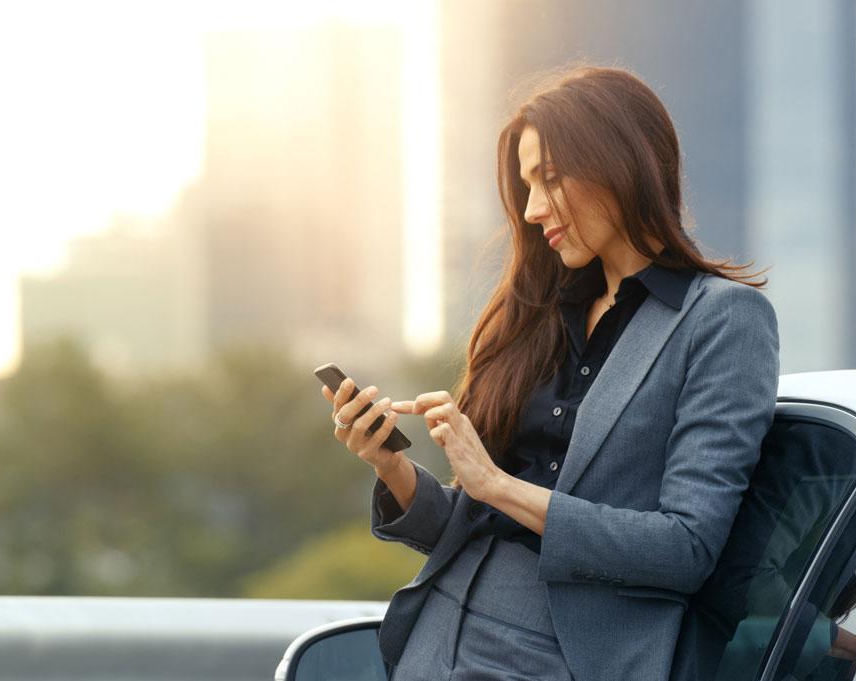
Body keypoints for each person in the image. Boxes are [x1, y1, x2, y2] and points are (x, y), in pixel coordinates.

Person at [321, 65, 780, 681]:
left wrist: (496, 484)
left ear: (620, 164)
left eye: (550, 180)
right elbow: (475, 524)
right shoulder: (540, 314)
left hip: (562, 659)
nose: (533, 209)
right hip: (439, 637)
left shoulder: (721, 320)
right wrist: (392, 465)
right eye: (526, 186)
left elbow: (686, 548)